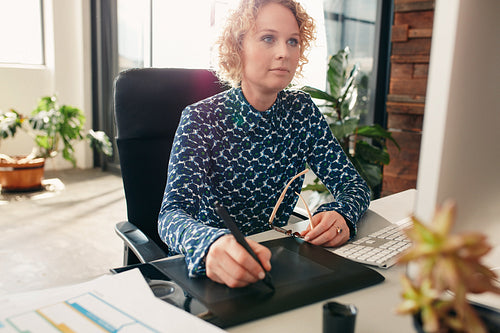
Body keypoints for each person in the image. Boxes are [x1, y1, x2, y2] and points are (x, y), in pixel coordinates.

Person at [158, 0, 370, 288]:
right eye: (268, 38)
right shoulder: (201, 118)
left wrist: (341, 213)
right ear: (238, 47)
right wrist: (211, 244)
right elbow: (171, 215)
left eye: (292, 41)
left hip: (277, 261)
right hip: (213, 269)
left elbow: (354, 186)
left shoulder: (301, 111)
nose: (284, 52)